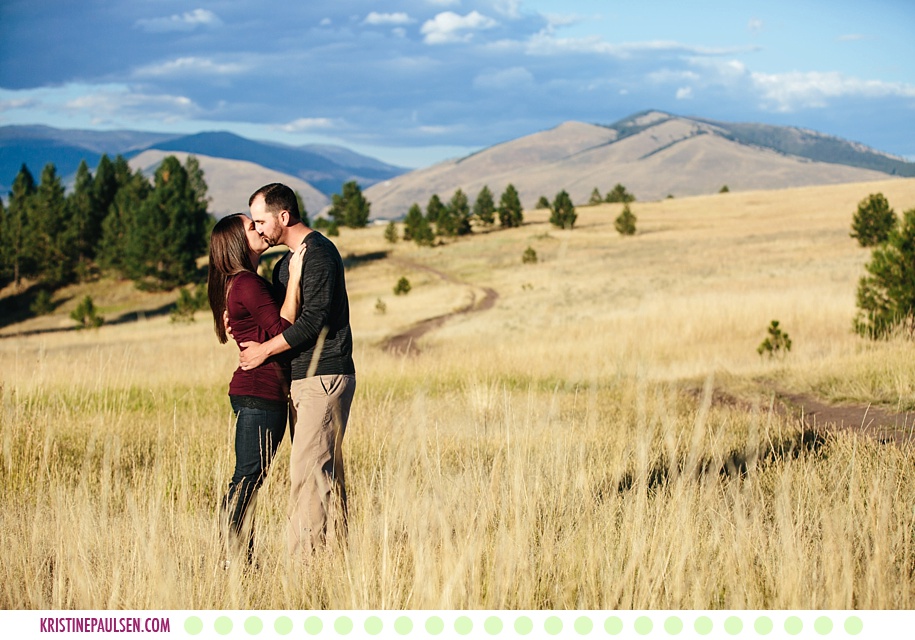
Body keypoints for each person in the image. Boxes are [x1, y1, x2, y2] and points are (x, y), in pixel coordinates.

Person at [239, 182, 356, 558]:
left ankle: (303, 572)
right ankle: (337, 560)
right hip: (302, 379)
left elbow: (313, 322)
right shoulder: (285, 264)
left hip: (324, 374)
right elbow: (277, 321)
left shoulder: (319, 254)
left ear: (283, 216)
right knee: (323, 473)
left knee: (308, 476)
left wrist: (263, 352)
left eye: (260, 221)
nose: (257, 229)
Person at [207, 212, 305, 564]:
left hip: (258, 392)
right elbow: (285, 327)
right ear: (237, 241)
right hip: (259, 393)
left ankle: (237, 558)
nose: (260, 228)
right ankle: (234, 560)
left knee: (249, 478)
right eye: (253, 226)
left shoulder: (243, 282)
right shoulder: (246, 282)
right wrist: (294, 279)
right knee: (247, 478)